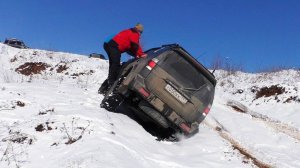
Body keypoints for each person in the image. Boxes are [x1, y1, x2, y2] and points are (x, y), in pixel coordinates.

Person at [99, 23, 147, 94]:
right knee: (115, 64)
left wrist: (136, 55)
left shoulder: (129, 32)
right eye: (141, 32)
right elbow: (135, 45)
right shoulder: (134, 33)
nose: (140, 35)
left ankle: (106, 85)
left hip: (109, 45)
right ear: (139, 30)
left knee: (113, 65)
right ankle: (111, 83)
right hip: (113, 46)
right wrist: (141, 54)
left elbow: (130, 49)